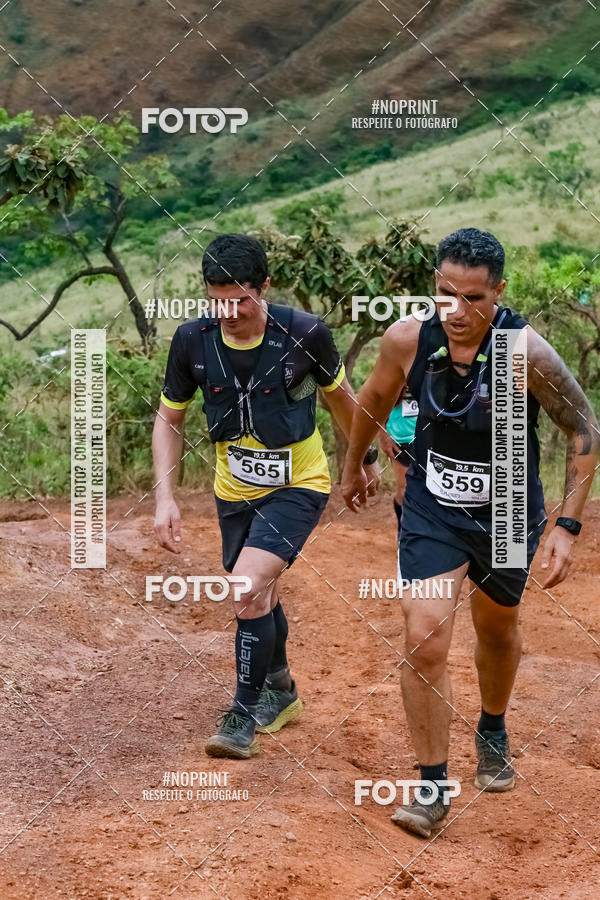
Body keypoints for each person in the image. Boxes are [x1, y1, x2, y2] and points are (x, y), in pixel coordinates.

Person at [341, 227, 599, 838]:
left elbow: (584, 429)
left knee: (497, 625)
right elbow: (373, 401)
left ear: (500, 292)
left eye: (474, 298)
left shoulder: (525, 352)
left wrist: (566, 525)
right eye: (444, 294)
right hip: (433, 507)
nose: (457, 311)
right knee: (425, 636)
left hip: (509, 509)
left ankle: (492, 726)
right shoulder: (407, 339)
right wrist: (357, 464)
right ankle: (431, 786)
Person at [153, 233, 380, 759]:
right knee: (259, 593)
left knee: (246, 587)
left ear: (264, 288)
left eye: (241, 298)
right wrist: (164, 497)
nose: (230, 311)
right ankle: (280, 687)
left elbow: (342, 402)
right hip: (232, 491)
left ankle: (241, 715)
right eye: (218, 299)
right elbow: (169, 417)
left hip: (299, 484)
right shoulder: (192, 339)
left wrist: (362, 460)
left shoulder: (305, 334)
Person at [379, 386, 418, 536]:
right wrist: (384, 434)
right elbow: (377, 401)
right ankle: (404, 532)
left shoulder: (433, 366)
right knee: (405, 489)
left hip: (428, 437)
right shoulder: (397, 365)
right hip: (400, 438)